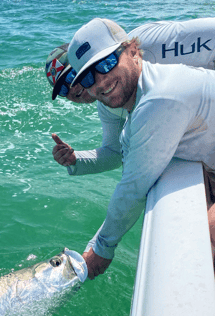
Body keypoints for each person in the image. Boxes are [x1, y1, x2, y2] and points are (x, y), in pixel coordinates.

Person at [63, 18, 215, 279]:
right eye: (88, 77)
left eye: (107, 63)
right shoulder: (138, 101)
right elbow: (123, 164)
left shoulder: (158, 99)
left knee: (203, 241)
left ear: (133, 50)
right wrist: (75, 159)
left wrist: (101, 250)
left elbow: (133, 188)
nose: (100, 81)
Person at [45, 18, 215, 175]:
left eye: (71, 77)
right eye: (62, 90)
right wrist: (76, 159)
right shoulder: (108, 105)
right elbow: (115, 153)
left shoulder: (145, 44)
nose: (72, 89)